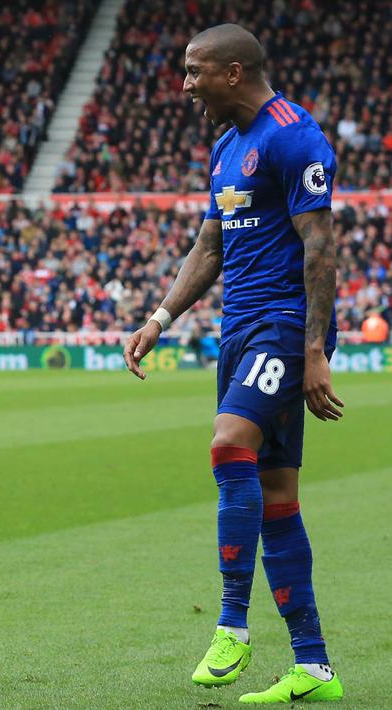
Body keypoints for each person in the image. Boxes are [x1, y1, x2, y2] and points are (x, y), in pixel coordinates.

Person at [124, 24, 343, 704]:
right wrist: (159, 319)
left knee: (227, 444)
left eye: (194, 71)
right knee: (277, 495)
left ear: (233, 72)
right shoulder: (225, 147)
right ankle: (313, 666)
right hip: (239, 331)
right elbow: (209, 247)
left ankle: (231, 625)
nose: (185, 85)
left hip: (285, 327)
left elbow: (320, 247)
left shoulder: (293, 136)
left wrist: (313, 352)